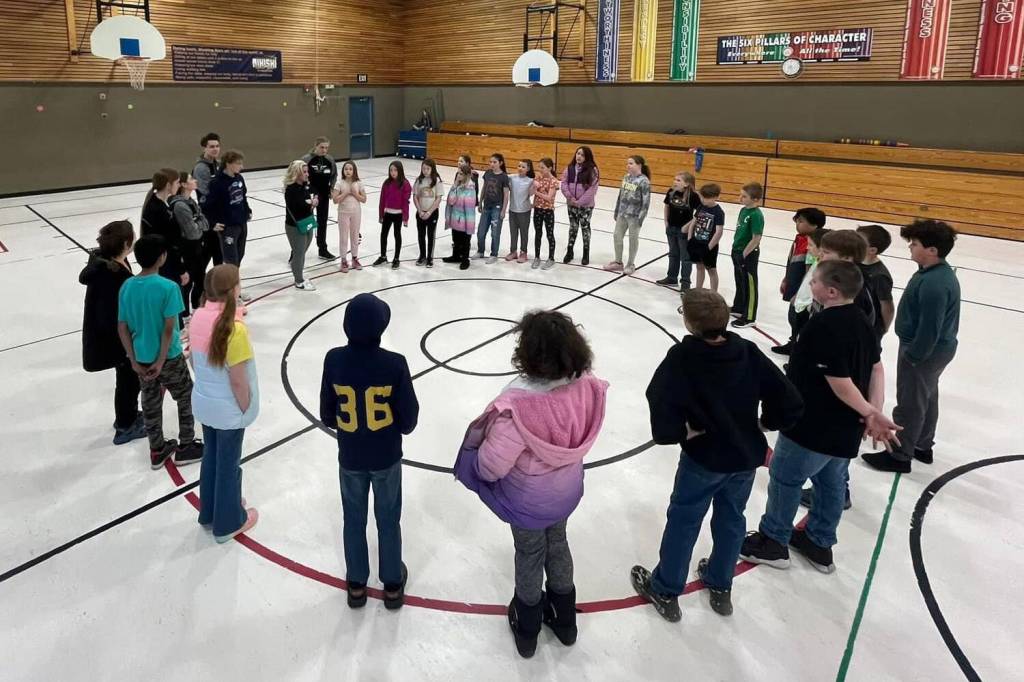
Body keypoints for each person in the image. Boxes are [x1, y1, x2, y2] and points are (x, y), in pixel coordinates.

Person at [632, 290, 803, 621]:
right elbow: (789, 399)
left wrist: (678, 432)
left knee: (684, 520)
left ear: (689, 322)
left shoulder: (683, 357)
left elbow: (659, 397)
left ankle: (666, 588)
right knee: (732, 518)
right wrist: (764, 423)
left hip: (704, 459)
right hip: (743, 458)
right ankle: (721, 583)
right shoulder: (746, 351)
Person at [454, 310, 608, 659]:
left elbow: (491, 466)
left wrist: (473, 463)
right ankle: (565, 620)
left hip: (527, 502)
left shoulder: (518, 408)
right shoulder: (586, 387)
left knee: (530, 552)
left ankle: (527, 627)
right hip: (565, 491)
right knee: (558, 543)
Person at [740, 261, 899, 574]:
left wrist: (871, 412)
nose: (810, 285)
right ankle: (819, 541)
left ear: (831, 291)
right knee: (831, 482)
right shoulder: (862, 319)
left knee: (786, 479)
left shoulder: (824, 326)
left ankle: (773, 540)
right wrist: (872, 409)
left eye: (814, 281)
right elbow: (876, 369)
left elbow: (839, 382)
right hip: (846, 427)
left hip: (813, 424)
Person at [319, 293, 420, 610]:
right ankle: (392, 584)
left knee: (353, 518)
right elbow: (409, 420)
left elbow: (327, 414)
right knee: (388, 519)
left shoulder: (333, 360)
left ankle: (356, 584)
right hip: (386, 456)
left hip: (350, 455)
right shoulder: (395, 364)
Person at [863, 220, 960, 474]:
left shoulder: (934, 284)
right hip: (934, 350)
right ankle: (922, 444)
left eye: (915, 244)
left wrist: (915, 356)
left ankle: (900, 454)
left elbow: (930, 327)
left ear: (932, 250)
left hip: (923, 351)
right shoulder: (932, 273)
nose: (910, 247)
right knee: (927, 396)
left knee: (910, 402)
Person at [116, 235, 204, 469]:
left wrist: (133, 360)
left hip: (141, 357)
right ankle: (186, 445)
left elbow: (122, 326)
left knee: (151, 402)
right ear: (162, 257)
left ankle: (157, 449)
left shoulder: (127, 286)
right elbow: (168, 328)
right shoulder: (168, 287)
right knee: (185, 396)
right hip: (169, 357)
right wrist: (162, 359)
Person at [190, 264, 260, 543]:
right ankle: (228, 523)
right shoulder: (235, 330)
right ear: (233, 291)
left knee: (212, 457)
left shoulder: (197, 317)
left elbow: (194, 360)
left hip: (205, 403)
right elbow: (239, 381)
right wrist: (244, 407)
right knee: (229, 464)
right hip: (229, 408)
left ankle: (210, 511)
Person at [80, 220, 144, 445]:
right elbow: (112, 314)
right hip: (117, 338)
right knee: (128, 380)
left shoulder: (114, 263)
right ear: (126, 243)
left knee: (127, 380)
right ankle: (125, 425)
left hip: (118, 335)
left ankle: (127, 414)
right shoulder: (111, 275)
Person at [773, 208, 827, 354]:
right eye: (797, 221)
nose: (797, 224)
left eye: (801, 221)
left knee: (799, 318)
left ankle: (798, 346)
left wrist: (800, 292)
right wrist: (786, 278)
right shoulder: (800, 239)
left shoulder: (814, 246)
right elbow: (791, 260)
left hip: (803, 289)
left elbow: (810, 272)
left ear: (814, 225)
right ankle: (793, 341)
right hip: (794, 282)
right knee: (793, 316)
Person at [206, 150, 253, 300]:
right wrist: (212, 223)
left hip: (241, 223)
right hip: (228, 227)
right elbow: (208, 206)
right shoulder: (216, 182)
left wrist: (247, 210)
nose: (241, 166)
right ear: (228, 164)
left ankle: (236, 290)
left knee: (239, 257)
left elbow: (243, 197)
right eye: (238, 163)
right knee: (231, 261)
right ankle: (232, 294)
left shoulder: (239, 178)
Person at [140, 169, 187, 295]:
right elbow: (170, 244)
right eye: (177, 182)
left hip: (164, 263)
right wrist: (181, 269)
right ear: (168, 185)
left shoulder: (158, 204)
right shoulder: (159, 210)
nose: (179, 185)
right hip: (167, 266)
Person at [604, 155, 652, 275]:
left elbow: (646, 202)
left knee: (633, 239)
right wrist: (616, 210)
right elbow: (620, 195)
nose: (628, 166)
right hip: (622, 213)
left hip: (634, 216)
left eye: (631, 163)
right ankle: (618, 262)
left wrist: (641, 218)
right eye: (627, 163)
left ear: (639, 165)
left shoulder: (644, 181)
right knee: (617, 236)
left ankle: (630, 264)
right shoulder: (626, 177)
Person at [170, 172, 210, 314]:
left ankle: (197, 307)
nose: (195, 180)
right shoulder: (180, 206)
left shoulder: (191, 201)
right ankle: (185, 313)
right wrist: (199, 225)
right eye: (191, 179)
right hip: (187, 250)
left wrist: (197, 224)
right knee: (187, 283)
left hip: (197, 248)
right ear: (183, 184)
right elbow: (192, 233)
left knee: (200, 280)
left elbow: (205, 223)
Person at [656, 172, 701, 291]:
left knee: (685, 257)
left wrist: (688, 226)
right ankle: (672, 277)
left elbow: (700, 212)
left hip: (684, 231)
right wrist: (666, 221)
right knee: (673, 254)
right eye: (675, 179)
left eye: (678, 180)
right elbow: (667, 206)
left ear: (686, 184)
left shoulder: (693, 196)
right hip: (671, 228)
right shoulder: (671, 192)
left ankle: (685, 283)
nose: (675, 182)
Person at [730, 182, 765, 328]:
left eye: (744, 196)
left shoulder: (756, 215)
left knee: (750, 285)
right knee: (740, 281)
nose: (740, 198)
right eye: (741, 195)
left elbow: (756, 238)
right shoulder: (743, 210)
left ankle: (749, 317)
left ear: (755, 199)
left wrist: (744, 254)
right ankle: (739, 307)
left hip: (748, 254)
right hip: (737, 250)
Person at [856, 224, 896, 343]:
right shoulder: (855, 262)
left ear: (872, 250)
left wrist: (882, 329)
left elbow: (887, 307)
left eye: (859, 241)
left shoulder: (879, 276)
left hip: (869, 326)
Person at [560, 146, 600, 265]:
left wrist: (580, 202)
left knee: (585, 227)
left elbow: (592, 189)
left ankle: (586, 253)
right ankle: (570, 251)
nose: (579, 156)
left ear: (587, 157)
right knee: (573, 227)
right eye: (578, 153)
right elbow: (564, 184)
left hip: (586, 206)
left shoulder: (593, 170)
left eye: (582, 155)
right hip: (571, 204)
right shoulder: (569, 168)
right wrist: (571, 198)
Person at [283, 160, 318, 291]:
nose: (307, 174)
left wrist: (315, 199)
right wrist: (310, 203)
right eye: (304, 172)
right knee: (299, 253)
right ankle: (299, 280)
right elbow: (297, 207)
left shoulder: (305, 185)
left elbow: (315, 191)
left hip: (307, 222)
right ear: (296, 173)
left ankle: (296, 268)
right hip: (295, 226)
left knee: (302, 251)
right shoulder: (291, 190)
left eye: (307, 171)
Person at [685, 183, 726, 293]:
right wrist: (690, 238)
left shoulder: (718, 212)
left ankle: (713, 293)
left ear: (715, 197)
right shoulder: (701, 207)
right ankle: (698, 290)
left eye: (705, 198)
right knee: (699, 267)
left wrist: (709, 247)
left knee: (711, 270)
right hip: (696, 242)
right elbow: (693, 223)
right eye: (701, 197)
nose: (702, 200)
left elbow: (719, 232)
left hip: (709, 245)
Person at [302, 137, 338, 260]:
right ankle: (297, 252)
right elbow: (298, 174)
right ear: (316, 146)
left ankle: (322, 249)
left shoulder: (330, 160)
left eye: (326, 147)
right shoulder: (306, 159)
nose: (324, 150)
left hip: (324, 194)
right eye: (322, 147)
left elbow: (334, 175)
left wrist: (331, 188)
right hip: (309, 195)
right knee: (306, 222)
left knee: (322, 222)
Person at [193, 132, 223, 268]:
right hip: (208, 215)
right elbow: (206, 192)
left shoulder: (218, 164)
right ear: (204, 148)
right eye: (211, 146)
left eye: (217, 146)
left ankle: (217, 276)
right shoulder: (200, 168)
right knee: (208, 250)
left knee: (217, 251)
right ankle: (197, 277)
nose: (215, 149)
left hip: (218, 212)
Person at [375, 161, 411, 269]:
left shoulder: (405, 184)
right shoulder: (386, 183)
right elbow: (382, 200)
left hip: (398, 214)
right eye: (391, 170)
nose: (393, 172)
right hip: (388, 213)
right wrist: (381, 214)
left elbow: (405, 202)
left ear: (400, 170)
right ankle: (383, 256)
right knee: (383, 234)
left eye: (395, 170)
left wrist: (405, 217)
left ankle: (396, 258)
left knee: (397, 234)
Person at [476, 154, 511, 264]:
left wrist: (503, 210)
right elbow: (484, 188)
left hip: (497, 208)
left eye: (494, 162)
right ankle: (480, 251)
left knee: (495, 233)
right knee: (481, 232)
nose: (492, 164)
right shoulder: (487, 173)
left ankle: (494, 254)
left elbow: (506, 195)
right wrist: (480, 202)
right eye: (490, 162)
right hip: (486, 206)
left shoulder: (504, 177)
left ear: (500, 163)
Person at [333, 160, 366, 273]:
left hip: (356, 213)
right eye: (346, 169)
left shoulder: (359, 183)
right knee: (343, 237)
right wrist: (346, 193)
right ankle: (343, 260)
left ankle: (354, 258)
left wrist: (355, 193)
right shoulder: (339, 183)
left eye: (350, 169)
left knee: (355, 236)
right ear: (343, 171)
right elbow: (335, 200)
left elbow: (364, 199)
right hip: (343, 213)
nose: (348, 171)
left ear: (354, 171)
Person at [442, 167, 477, 270]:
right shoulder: (456, 186)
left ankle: (465, 260)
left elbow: (469, 208)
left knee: (465, 241)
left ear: (467, 175)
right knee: (456, 239)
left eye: (461, 174)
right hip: (455, 218)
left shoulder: (470, 188)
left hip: (465, 220)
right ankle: (456, 256)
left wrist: (469, 225)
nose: (458, 176)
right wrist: (455, 185)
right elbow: (450, 201)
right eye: (458, 173)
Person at [413, 159, 444, 267]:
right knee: (421, 235)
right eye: (423, 168)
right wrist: (419, 211)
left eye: (427, 169)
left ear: (432, 169)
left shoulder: (437, 181)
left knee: (431, 235)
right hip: (421, 213)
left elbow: (438, 198)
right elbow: (415, 196)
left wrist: (429, 212)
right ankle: (422, 256)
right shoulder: (419, 180)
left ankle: (430, 258)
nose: (425, 171)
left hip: (432, 213)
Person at [531, 157, 558, 270]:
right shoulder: (538, 178)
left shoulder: (554, 181)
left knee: (549, 234)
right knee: (538, 233)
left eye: (543, 168)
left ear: (550, 168)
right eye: (539, 167)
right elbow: (532, 192)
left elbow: (548, 197)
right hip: (538, 209)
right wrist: (533, 202)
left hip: (548, 211)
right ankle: (537, 257)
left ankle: (551, 258)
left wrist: (536, 192)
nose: (540, 170)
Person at [506, 159, 535, 263]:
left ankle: (523, 252)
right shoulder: (512, 178)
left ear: (528, 169)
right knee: (513, 232)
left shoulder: (531, 180)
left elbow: (532, 193)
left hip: (524, 211)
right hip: (512, 210)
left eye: (523, 167)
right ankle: (513, 251)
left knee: (524, 232)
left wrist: (533, 204)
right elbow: (501, 176)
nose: (520, 168)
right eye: (519, 166)